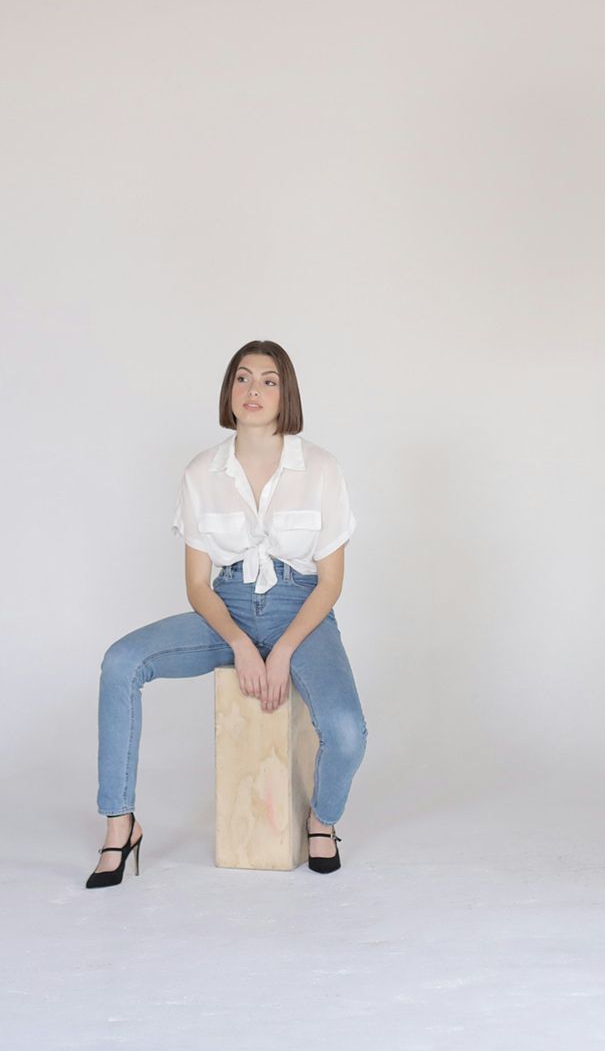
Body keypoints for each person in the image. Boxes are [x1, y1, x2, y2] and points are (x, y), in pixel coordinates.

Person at [88, 340, 365, 887]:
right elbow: (196, 584)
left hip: (300, 611)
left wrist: (282, 649)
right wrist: (240, 643)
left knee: (347, 732)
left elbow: (331, 582)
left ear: (286, 392)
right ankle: (120, 825)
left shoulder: (322, 468)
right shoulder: (200, 472)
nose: (253, 390)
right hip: (226, 609)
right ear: (228, 391)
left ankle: (322, 820)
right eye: (242, 378)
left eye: (268, 380)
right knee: (121, 662)